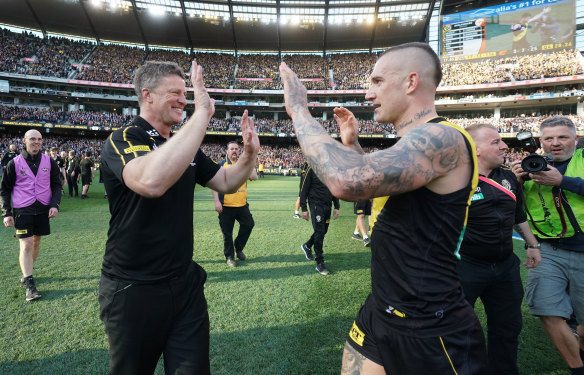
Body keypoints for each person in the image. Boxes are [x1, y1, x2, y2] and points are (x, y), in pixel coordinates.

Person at [280, 42, 488, 374]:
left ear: (411, 82)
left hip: (430, 325)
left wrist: (299, 110)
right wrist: (353, 146)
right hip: (381, 308)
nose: (367, 94)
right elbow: (384, 188)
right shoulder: (415, 143)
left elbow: (345, 182)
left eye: (377, 82)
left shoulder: (443, 139)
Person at [98, 60, 259, 375]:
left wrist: (250, 154)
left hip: (184, 285)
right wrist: (202, 114)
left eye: (186, 93)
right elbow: (151, 182)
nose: (184, 100)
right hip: (134, 288)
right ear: (148, 95)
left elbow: (226, 182)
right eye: (175, 92)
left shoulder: (182, 145)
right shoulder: (124, 138)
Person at [459, 123, 541, 375]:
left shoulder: (508, 178)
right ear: (476, 149)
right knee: (457, 329)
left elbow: (518, 215)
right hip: (464, 267)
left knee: (508, 327)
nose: (505, 146)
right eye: (495, 142)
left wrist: (532, 244)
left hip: (505, 267)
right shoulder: (454, 181)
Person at [511, 116, 584, 375]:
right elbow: (514, 212)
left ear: (575, 139)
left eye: (562, 137)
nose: (555, 143)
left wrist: (563, 182)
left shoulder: (583, 160)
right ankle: (577, 369)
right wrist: (514, 184)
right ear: (540, 142)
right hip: (549, 250)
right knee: (545, 309)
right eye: (549, 138)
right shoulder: (531, 166)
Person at [0, 129, 62, 301]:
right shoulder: (14, 163)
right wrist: (7, 212)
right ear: (24, 141)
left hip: (43, 208)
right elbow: (4, 189)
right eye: (33, 139)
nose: (36, 142)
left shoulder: (50, 161)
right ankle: (30, 284)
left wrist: (55, 205)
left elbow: (57, 185)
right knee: (26, 244)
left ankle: (27, 273)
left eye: (40, 139)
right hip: (22, 209)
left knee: (36, 241)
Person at [212, 141, 258, 267]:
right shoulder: (221, 165)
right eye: (232, 149)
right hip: (226, 205)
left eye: (237, 149)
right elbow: (214, 184)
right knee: (227, 234)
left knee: (249, 225)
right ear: (227, 151)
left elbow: (255, 177)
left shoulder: (243, 164)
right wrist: (217, 201)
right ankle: (230, 257)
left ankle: (238, 248)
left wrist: (248, 163)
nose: (234, 151)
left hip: (242, 205)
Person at [299, 163, 340, 275]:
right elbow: (303, 190)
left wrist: (336, 206)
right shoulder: (312, 169)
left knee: (323, 231)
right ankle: (320, 262)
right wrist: (304, 208)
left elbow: (334, 188)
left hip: (328, 206)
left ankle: (307, 245)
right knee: (320, 231)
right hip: (316, 205)